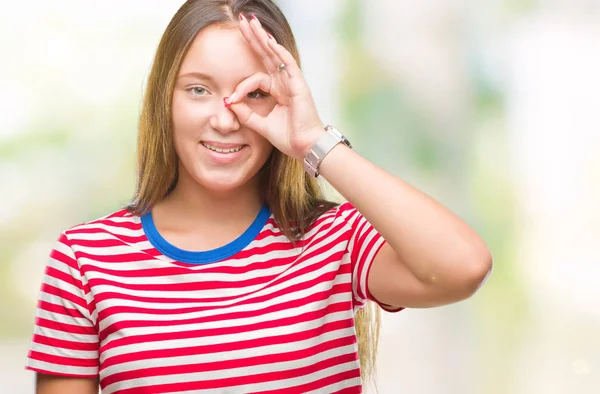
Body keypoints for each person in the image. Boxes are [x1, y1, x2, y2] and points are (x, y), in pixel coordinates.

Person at [25, 0, 492, 393]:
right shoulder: (86, 258)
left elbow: (462, 267)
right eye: (198, 89)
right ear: (163, 100)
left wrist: (314, 141)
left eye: (254, 92)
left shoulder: (335, 240)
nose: (226, 120)